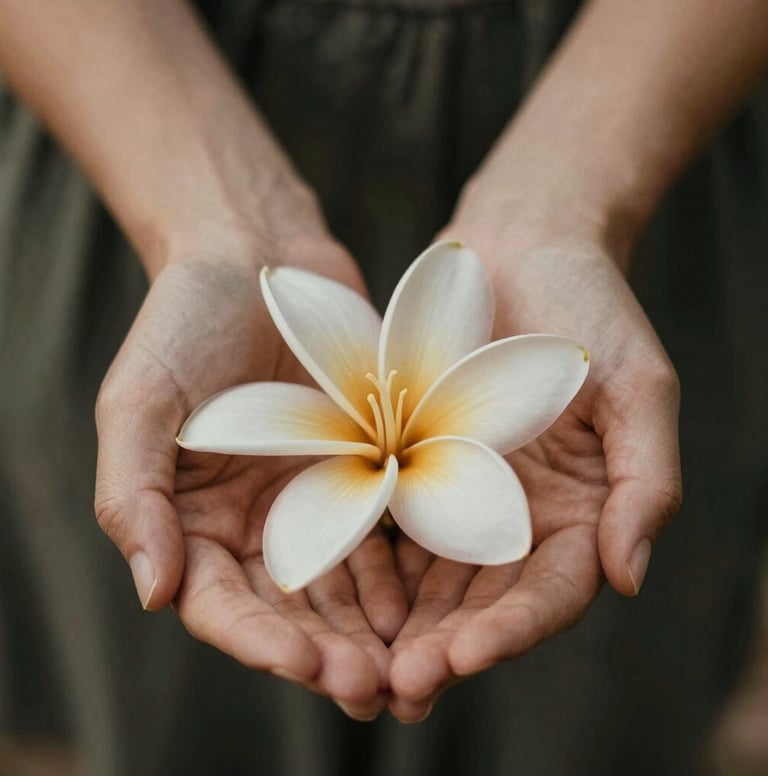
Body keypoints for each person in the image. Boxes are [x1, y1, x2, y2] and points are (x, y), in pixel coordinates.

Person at [0, 0, 766, 773]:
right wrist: (213, 217)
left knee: (575, 714)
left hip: (645, 110)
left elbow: (538, 404)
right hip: (127, 117)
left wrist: (569, 197)